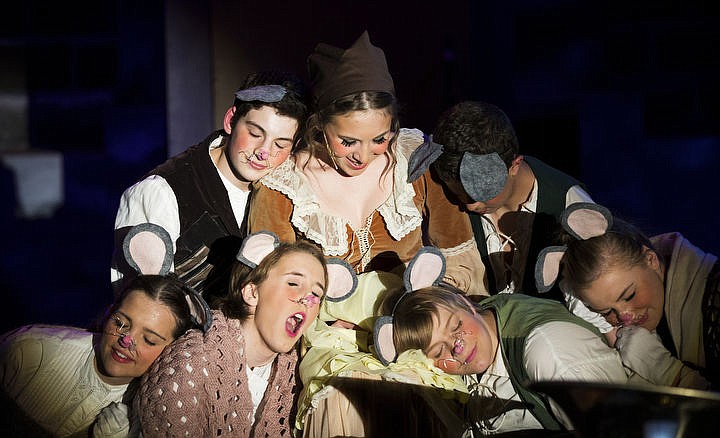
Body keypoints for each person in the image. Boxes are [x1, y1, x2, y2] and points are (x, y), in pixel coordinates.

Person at [247, 31, 486, 294]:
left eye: (379, 139)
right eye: (348, 141)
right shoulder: (285, 186)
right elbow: (275, 288)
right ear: (321, 125)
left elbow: (462, 268)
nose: (363, 156)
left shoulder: (416, 163)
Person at [376, 247, 629, 435]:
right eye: (439, 350)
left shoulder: (547, 352)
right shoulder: (483, 334)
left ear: (466, 304)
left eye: (456, 326)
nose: (457, 346)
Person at [134, 231, 357, 436]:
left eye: (316, 294)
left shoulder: (298, 377)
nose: (306, 300)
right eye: (293, 283)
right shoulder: (188, 365)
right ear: (252, 293)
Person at [112, 70, 310, 301]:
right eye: (255, 134)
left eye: (280, 144)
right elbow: (142, 305)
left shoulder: (287, 194)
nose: (264, 152)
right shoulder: (163, 191)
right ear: (230, 120)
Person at [535, 202, 719, 390]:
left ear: (651, 260)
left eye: (629, 295)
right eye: (606, 311)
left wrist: (666, 370)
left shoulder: (714, 297)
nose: (624, 316)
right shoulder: (626, 329)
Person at [0, 274, 208, 437]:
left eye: (149, 340)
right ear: (109, 313)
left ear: (172, 351)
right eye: (120, 323)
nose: (126, 341)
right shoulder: (30, 351)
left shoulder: (151, 419)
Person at [430, 100, 593, 299]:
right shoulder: (441, 197)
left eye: (480, 192)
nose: (469, 205)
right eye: (457, 194)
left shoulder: (569, 204)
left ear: (514, 166)